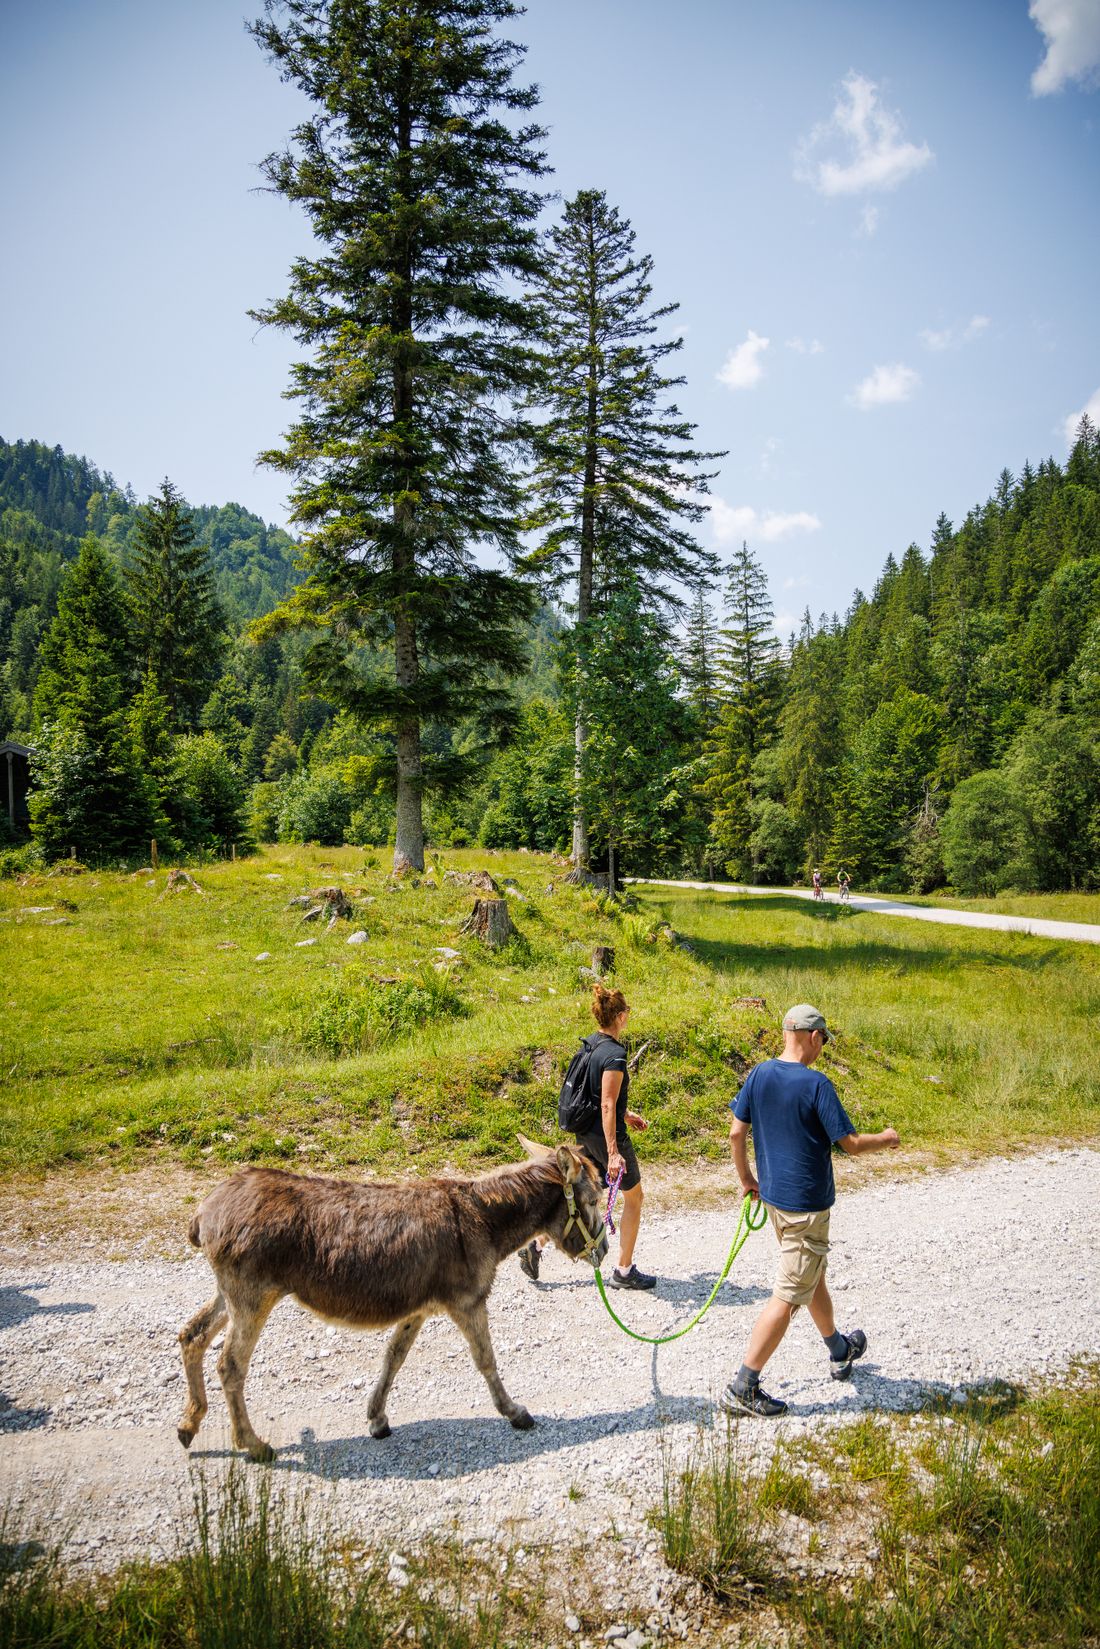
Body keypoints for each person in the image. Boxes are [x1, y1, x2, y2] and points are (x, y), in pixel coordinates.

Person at [721, 1003, 900, 1417]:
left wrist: (747, 1179)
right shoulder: (817, 1085)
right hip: (806, 1208)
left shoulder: (759, 1074)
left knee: (809, 1272)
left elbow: (735, 1132)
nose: (822, 1049)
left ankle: (839, 1350)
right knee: (787, 1295)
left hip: (775, 1203)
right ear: (813, 1037)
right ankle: (743, 1385)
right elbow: (851, 1144)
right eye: (824, 1042)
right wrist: (888, 1138)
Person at [519, 983, 656, 1290]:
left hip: (585, 1132)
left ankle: (536, 1244)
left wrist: (625, 1113)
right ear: (620, 1017)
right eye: (627, 1012)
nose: (628, 1016)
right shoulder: (616, 1055)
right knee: (634, 1198)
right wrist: (614, 1150)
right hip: (606, 1138)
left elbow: (599, 1098)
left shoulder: (591, 1045)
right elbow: (606, 1102)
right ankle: (624, 1270)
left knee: (585, 1191)